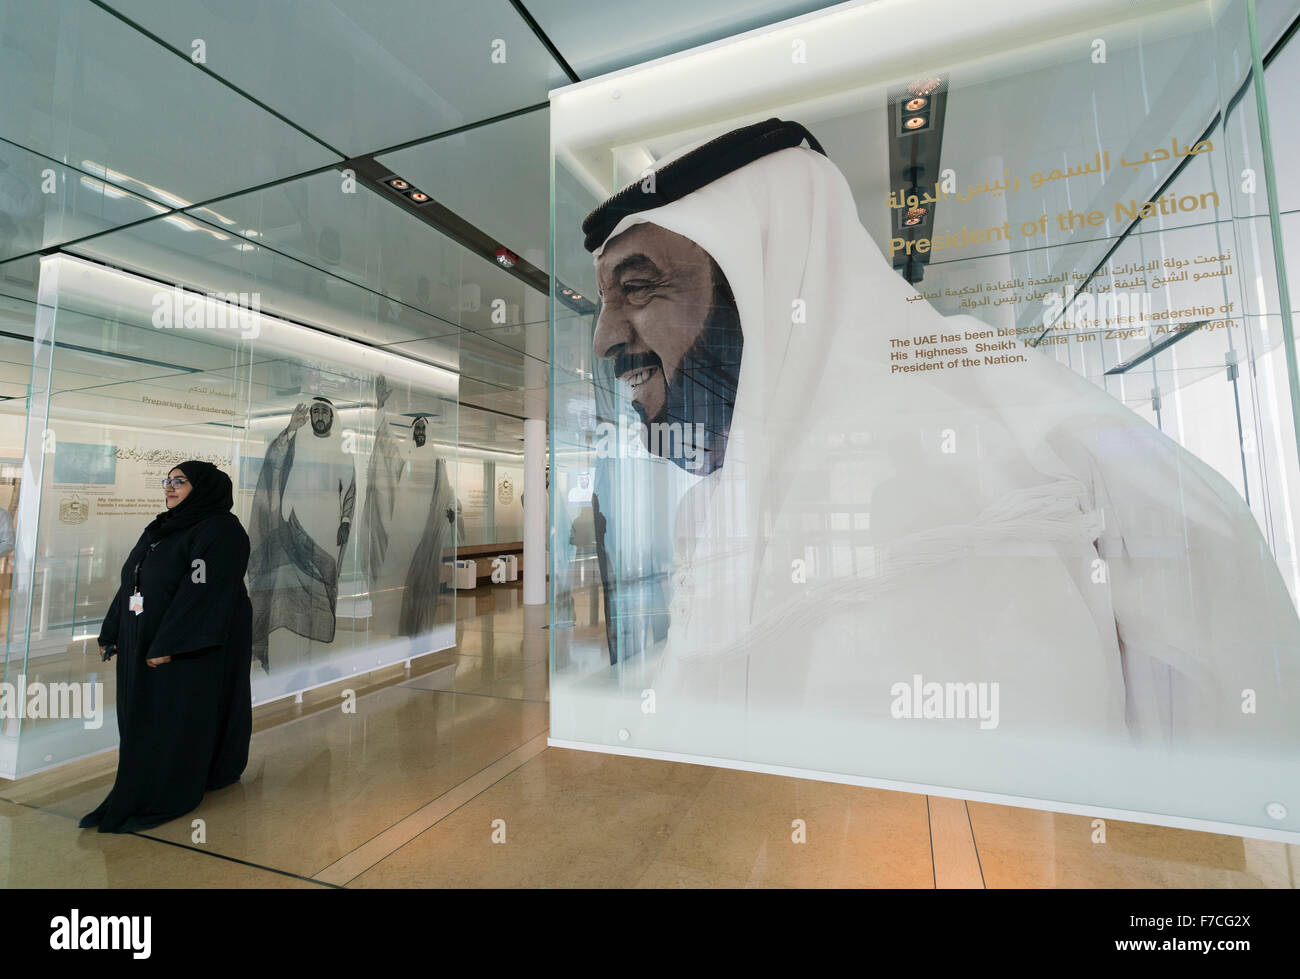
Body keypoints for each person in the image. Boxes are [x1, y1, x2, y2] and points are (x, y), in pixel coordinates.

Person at [582, 118, 1300, 754]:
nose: (606, 338)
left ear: (765, 274)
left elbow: (1237, 716)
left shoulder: (1028, 431)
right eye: (607, 299)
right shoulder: (704, 516)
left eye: (639, 287)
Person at [80, 461, 252, 834]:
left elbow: (202, 591)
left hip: (185, 648)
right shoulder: (161, 528)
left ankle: (169, 788)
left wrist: (170, 643)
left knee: (174, 716)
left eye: (180, 481)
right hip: (146, 637)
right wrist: (112, 631)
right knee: (142, 715)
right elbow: (133, 579)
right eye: (168, 481)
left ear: (204, 487)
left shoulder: (220, 530)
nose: (169, 488)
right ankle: (140, 784)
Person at [248, 397, 357, 671]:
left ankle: (315, 646)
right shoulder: (296, 442)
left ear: (332, 417)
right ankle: (286, 645)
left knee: (323, 581)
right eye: (315, 411)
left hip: (326, 532)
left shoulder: (343, 452)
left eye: (324, 412)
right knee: (288, 588)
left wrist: (345, 520)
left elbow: (350, 492)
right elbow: (274, 458)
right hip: (293, 527)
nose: (319, 416)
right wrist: (290, 429)